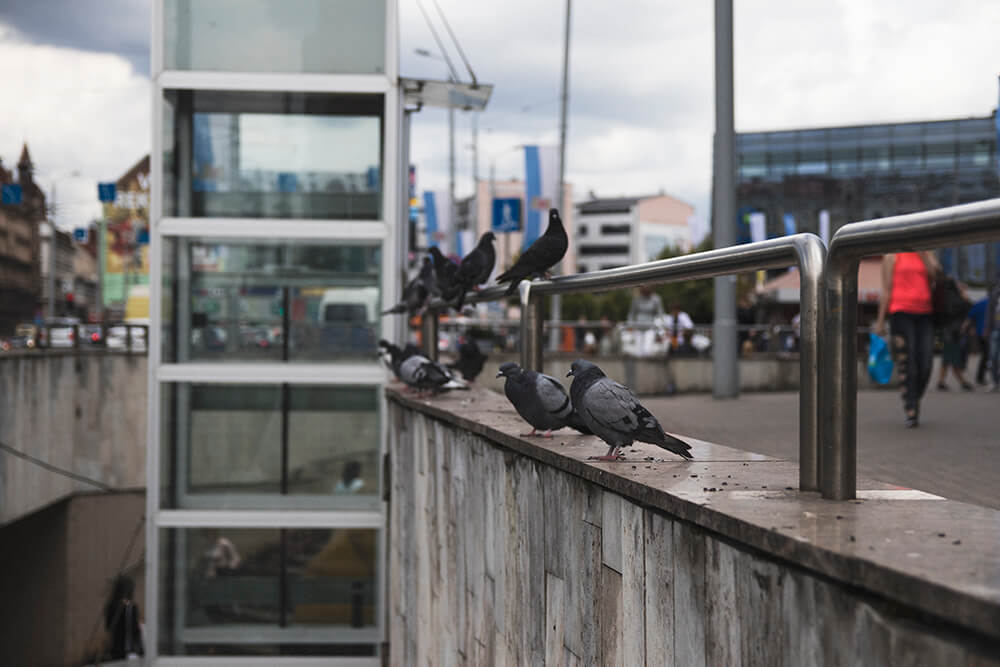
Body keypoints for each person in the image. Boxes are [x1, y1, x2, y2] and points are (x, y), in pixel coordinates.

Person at [874, 251, 940, 427]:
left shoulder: (926, 252)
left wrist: (924, 254)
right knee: (908, 361)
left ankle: (913, 395)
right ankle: (911, 407)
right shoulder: (892, 256)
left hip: (925, 314)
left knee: (926, 363)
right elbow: (886, 289)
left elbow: (936, 276)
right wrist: (880, 321)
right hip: (901, 312)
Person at [936, 281, 973, 391]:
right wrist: (964, 296)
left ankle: (941, 381)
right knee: (953, 358)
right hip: (952, 333)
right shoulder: (956, 299)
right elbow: (968, 308)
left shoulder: (946, 298)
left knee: (947, 358)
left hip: (948, 332)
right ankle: (962, 382)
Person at [104, 575, 144, 660]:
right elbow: (109, 626)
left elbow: (135, 629)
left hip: (128, 649)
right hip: (119, 648)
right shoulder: (114, 607)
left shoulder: (131, 607)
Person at [627, 286, 665, 357]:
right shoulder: (636, 299)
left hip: (650, 327)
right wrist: (630, 325)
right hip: (638, 327)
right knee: (638, 352)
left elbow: (660, 314)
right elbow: (631, 314)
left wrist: (661, 331)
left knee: (647, 350)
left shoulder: (656, 299)